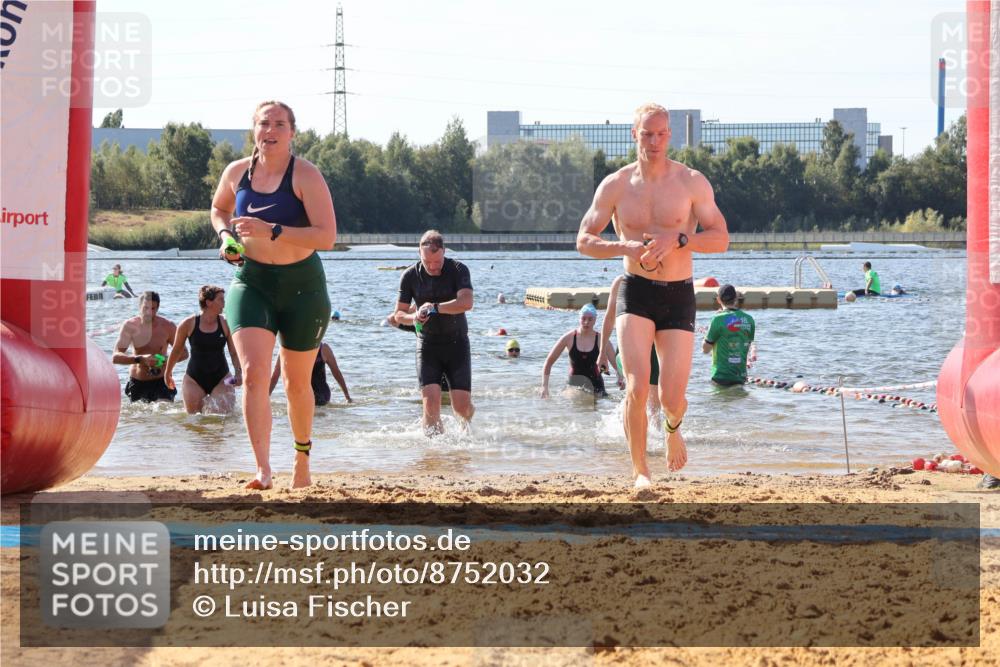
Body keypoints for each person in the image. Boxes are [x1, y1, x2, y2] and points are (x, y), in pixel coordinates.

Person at [577, 102, 729, 488]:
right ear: (634, 135)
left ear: (670, 136)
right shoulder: (616, 185)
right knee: (637, 385)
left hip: (678, 294)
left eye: (661, 134)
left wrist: (680, 239)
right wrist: (624, 247)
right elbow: (584, 240)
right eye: (647, 134)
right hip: (636, 291)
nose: (654, 141)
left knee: (672, 400)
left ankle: (673, 428)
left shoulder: (691, 182)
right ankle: (640, 471)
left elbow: (720, 238)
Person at [210, 100, 336, 490]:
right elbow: (218, 209)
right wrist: (226, 237)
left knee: (296, 384)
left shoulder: (306, 175)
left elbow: (326, 237)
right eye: (264, 123)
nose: (271, 130)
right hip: (253, 283)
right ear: (254, 129)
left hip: (303, 287)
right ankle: (262, 469)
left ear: (292, 132)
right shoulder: (236, 172)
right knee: (253, 375)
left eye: (280, 124)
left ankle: (301, 459)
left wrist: (273, 231)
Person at [393, 230, 475, 435]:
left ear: (444, 252)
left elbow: (466, 302)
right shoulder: (410, 276)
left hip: (457, 344)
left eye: (437, 262)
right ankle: (434, 450)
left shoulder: (458, 269)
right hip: (427, 346)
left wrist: (435, 308)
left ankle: (467, 427)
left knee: (462, 408)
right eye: (427, 262)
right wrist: (414, 317)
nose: (432, 267)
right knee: (430, 406)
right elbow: (398, 315)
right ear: (419, 254)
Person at [163, 285, 241, 414]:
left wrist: (238, 373)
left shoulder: (226, 323)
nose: (224, 303)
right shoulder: (188, 323)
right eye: (221, 300)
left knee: (222, 418)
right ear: (209, 302)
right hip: (193, 379)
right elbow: (176, 350)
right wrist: (167, 373)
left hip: (223, 378)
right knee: (194, 419)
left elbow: (233, 352)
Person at [600, 274, 660, 417]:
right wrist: (602, 352)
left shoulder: (660, 280)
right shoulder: (621, 282)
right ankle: (627, 426)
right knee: (634, 393)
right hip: (627, 344)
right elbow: (609, 318)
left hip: (653, 346)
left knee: (654, 404)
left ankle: (654, 430)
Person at [112, 291, 187, 402]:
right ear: (140, 307)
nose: (149, 312)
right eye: (145, 308)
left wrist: (164, 360)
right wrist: (140, 359)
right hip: (138, 381)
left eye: (153, 309)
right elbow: (115, 357)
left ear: (157, 308)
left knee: (164, 410)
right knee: (139, 413)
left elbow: (184, 353)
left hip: (162, 381)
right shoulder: (130, 326)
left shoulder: (168, 326)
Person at [541, 305, 616, 399]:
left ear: (595, 320)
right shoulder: (568, 338)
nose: (586, 322)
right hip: (574, 386)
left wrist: (620, 377)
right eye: (583, 318)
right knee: (573, 407)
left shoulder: (602, 339)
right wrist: (544, 387)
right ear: (579, 318)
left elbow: (616, 365)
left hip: (596, 386)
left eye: (590, 319)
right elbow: (548, 362)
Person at [702, 284, 756, 386]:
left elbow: (705, 349)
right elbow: (747, 345)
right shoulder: (749, 319)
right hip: (740, 376)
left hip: (720, 377)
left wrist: (706, 335)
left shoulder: (717, 319)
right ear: (736, 298)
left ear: (718, 300)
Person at [269, 342, 351, 406]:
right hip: (301, 396)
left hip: (320, 396)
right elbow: (275, 376)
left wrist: (347, 397)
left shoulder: (323, 349)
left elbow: (336, 373)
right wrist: (266, 398)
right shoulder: (285, 349)